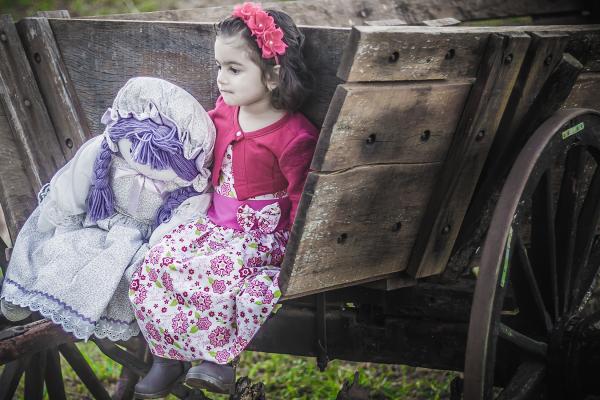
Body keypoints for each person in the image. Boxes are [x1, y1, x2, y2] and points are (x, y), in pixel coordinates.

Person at [130, 3, 317, 398]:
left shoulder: (294, 136)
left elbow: (304, 200)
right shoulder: (223, 114)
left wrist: (298, 253)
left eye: (234, 69)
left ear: (273, 75)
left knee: (221, 276)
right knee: (160, 259)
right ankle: (166, 356)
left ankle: (217, 361)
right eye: (219, 66)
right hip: (214, 224)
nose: (221, 78)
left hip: (260, 238)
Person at [0, 77, 215, 342]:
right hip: (98, 222)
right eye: (139, 150)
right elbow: (74, 187)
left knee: (119, 273)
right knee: (66, 251)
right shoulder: (104, 154)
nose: (146, 164)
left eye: (159, 160)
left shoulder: (185, 189)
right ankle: (24, 294)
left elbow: (183, 218)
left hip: (141, 241)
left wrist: (159, 244)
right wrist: (66, 216)